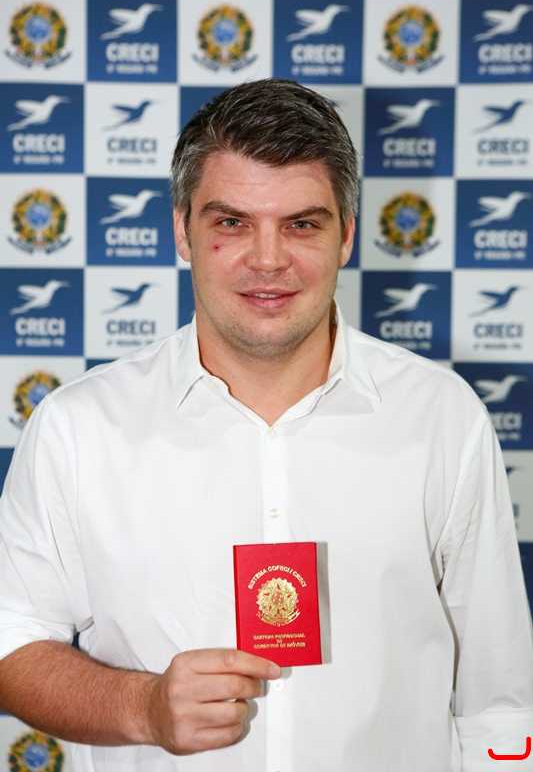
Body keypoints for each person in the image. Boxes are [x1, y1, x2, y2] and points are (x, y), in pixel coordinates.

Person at [0, 78, 532, 772]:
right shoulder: (78, 428)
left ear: (346, 235)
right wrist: (142, 707)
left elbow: (497, 695)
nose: (269, 259)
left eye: (302, 224)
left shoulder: (441, 416)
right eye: (231, 223)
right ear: (182, 231)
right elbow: (12, 643)